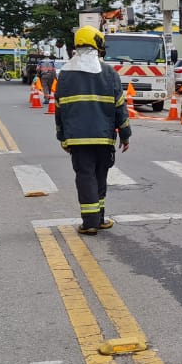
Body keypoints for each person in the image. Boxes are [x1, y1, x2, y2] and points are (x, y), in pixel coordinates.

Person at [54, 26, 131, 235]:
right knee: (100, 175)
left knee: (85, 175)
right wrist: (125, 135)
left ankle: (91, 221)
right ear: (97, 44)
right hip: (103, 138)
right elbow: (120, 107)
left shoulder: (65, 74)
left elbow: (59, 109)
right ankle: (99, 218)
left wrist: (62, 137)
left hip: (77, 139)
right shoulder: (108, 73)